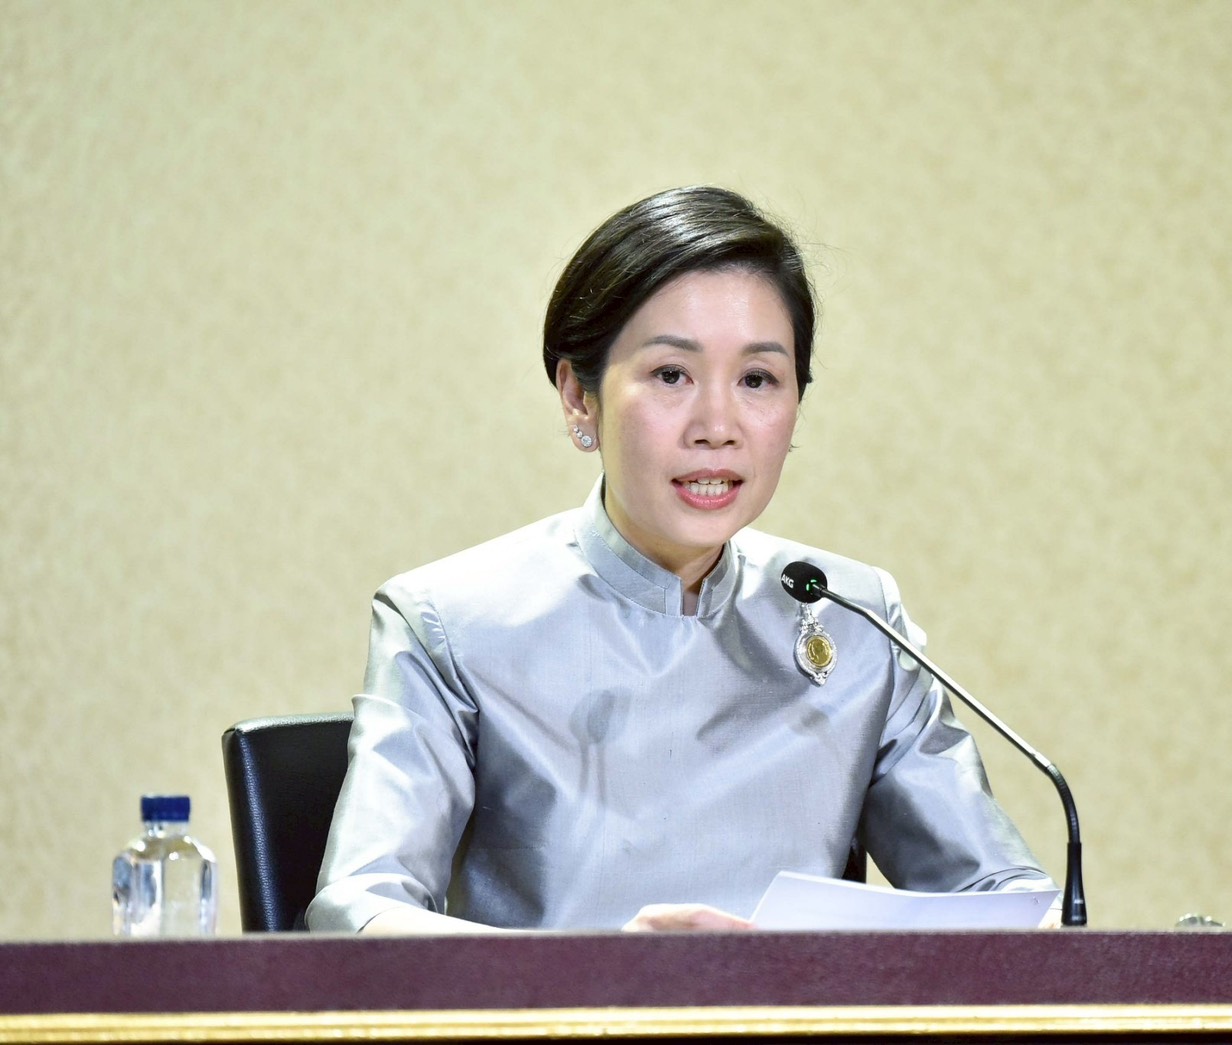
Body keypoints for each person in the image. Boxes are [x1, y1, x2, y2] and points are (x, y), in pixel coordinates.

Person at [306, 186, 1056, 934]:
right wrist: (601, 975)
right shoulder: (450, 621)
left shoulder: (853, 616)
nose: (717, 426)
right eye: (671, 375)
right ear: (578, 397)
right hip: (559, 1013)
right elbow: (358, 908)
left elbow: (1002, 895)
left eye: (757, 379)